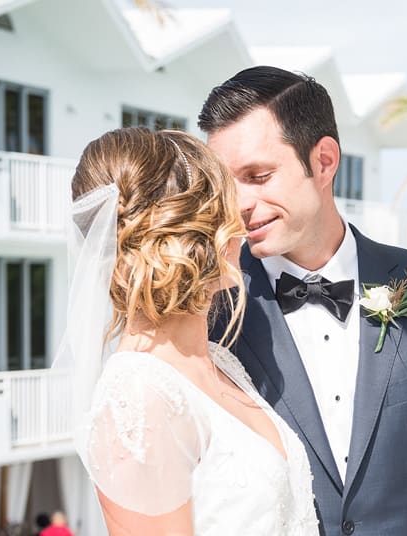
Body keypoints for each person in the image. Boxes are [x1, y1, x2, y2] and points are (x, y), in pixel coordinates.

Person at [199, 65, 407, 535]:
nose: (239, 203)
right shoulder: (210, 312)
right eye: (226, 182)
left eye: (258, 175)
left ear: (325, 161)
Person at [66, 128, 318, 534]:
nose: (242, 216)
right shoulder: (137, 396)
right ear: (195, 232)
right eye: (227, 201)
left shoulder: (221, 360)